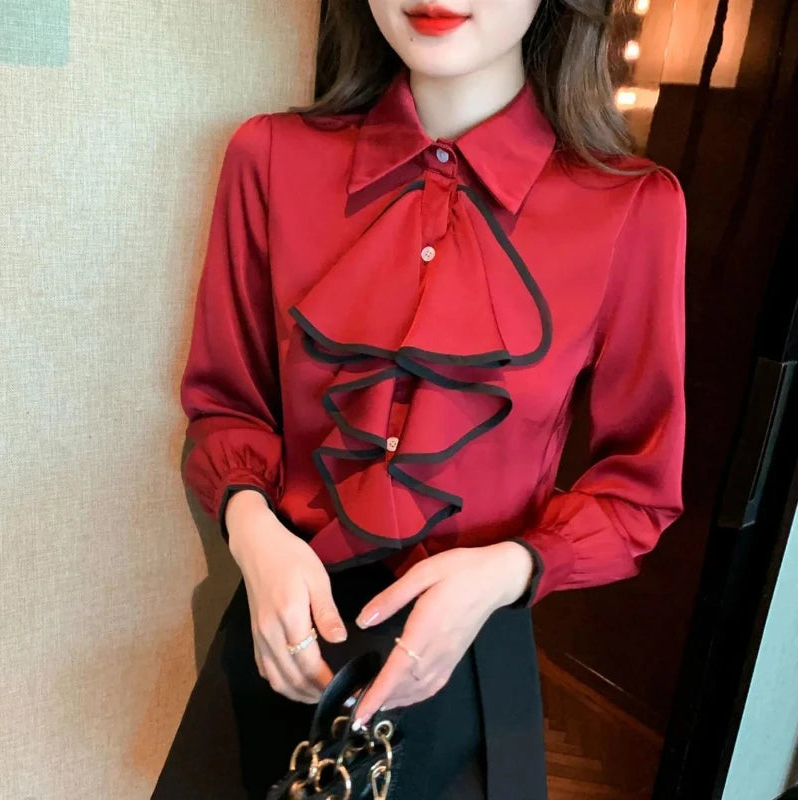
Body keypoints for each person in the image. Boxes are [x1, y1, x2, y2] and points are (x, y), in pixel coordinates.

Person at [153, 0, 688, 797]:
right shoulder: (267, 157)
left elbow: (637, 491)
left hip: (470, 667)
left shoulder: (634, 207)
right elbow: (227, 406)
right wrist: (253, 531)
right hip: (282, 639)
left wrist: (507, 570)